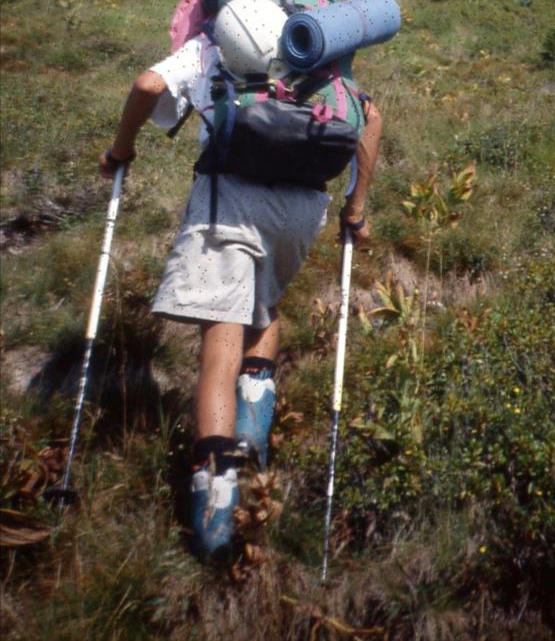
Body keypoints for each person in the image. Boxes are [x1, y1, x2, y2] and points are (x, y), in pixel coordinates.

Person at [98, 27, 382, 560]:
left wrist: (121, 149)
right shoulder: (311, 48)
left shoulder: (210, 46)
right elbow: (369, 117)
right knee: (263, 307)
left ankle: (216, 502)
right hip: (302, 208)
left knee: (221, 334)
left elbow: (148, 85)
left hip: (229, 198)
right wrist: (356, 208)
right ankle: (253, 436)